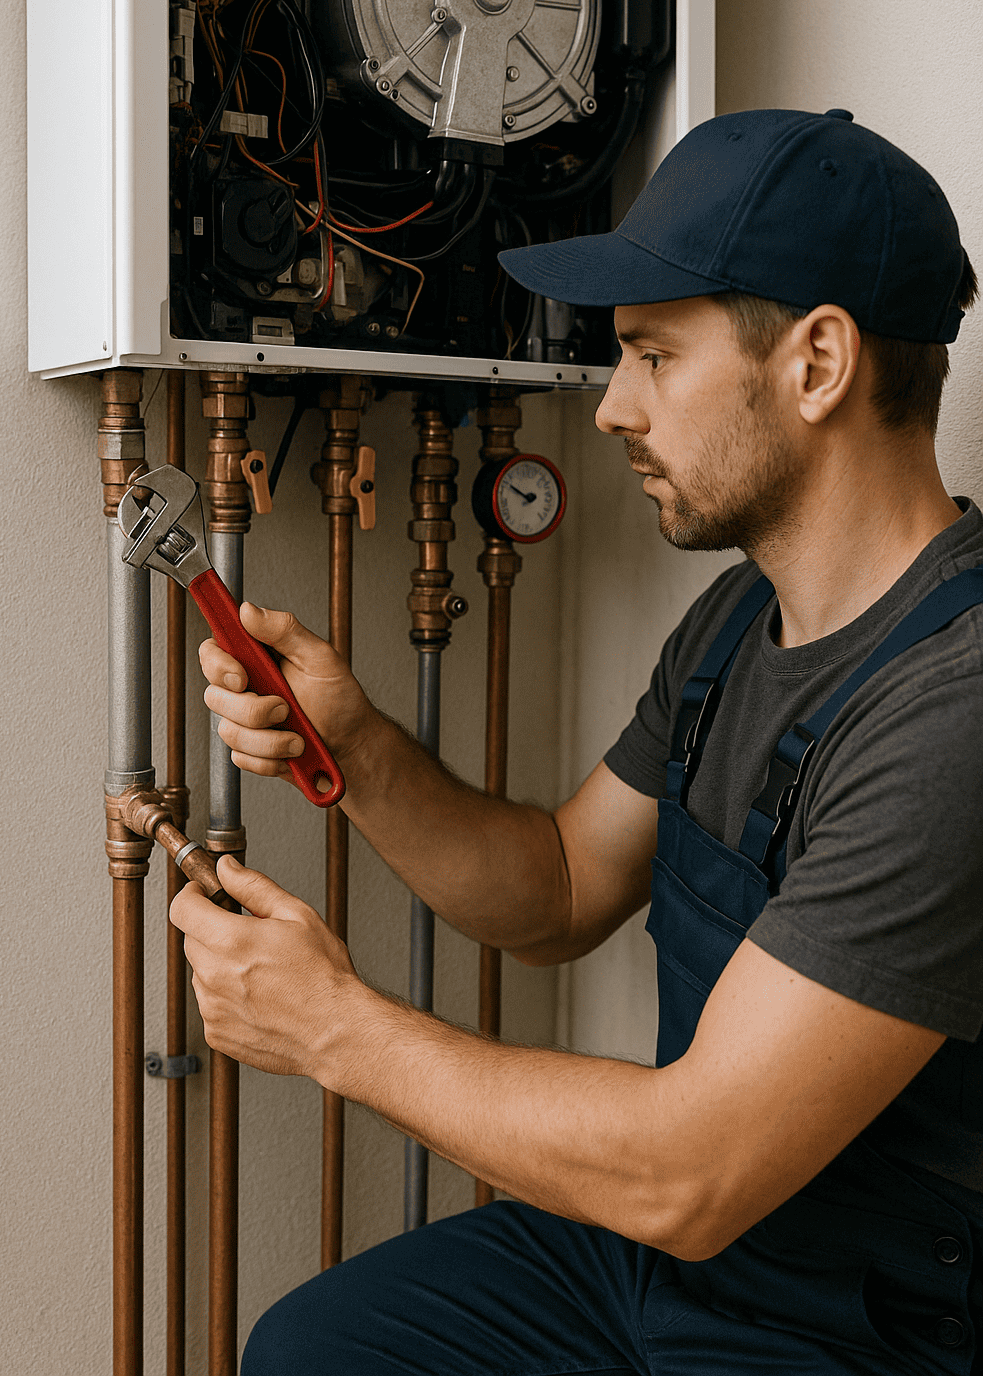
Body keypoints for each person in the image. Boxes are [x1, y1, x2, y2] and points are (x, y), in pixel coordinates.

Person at [171, 107, 983, 1374]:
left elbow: (691, 1168)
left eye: (655, 357)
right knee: (319, 1350)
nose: (610, 409)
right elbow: (554, 889)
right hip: (672, 1257)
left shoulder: (953, 712)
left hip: (850, 1324)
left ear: (816, 363)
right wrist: (363, 746)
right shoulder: (734, 624)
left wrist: (336, 1029)